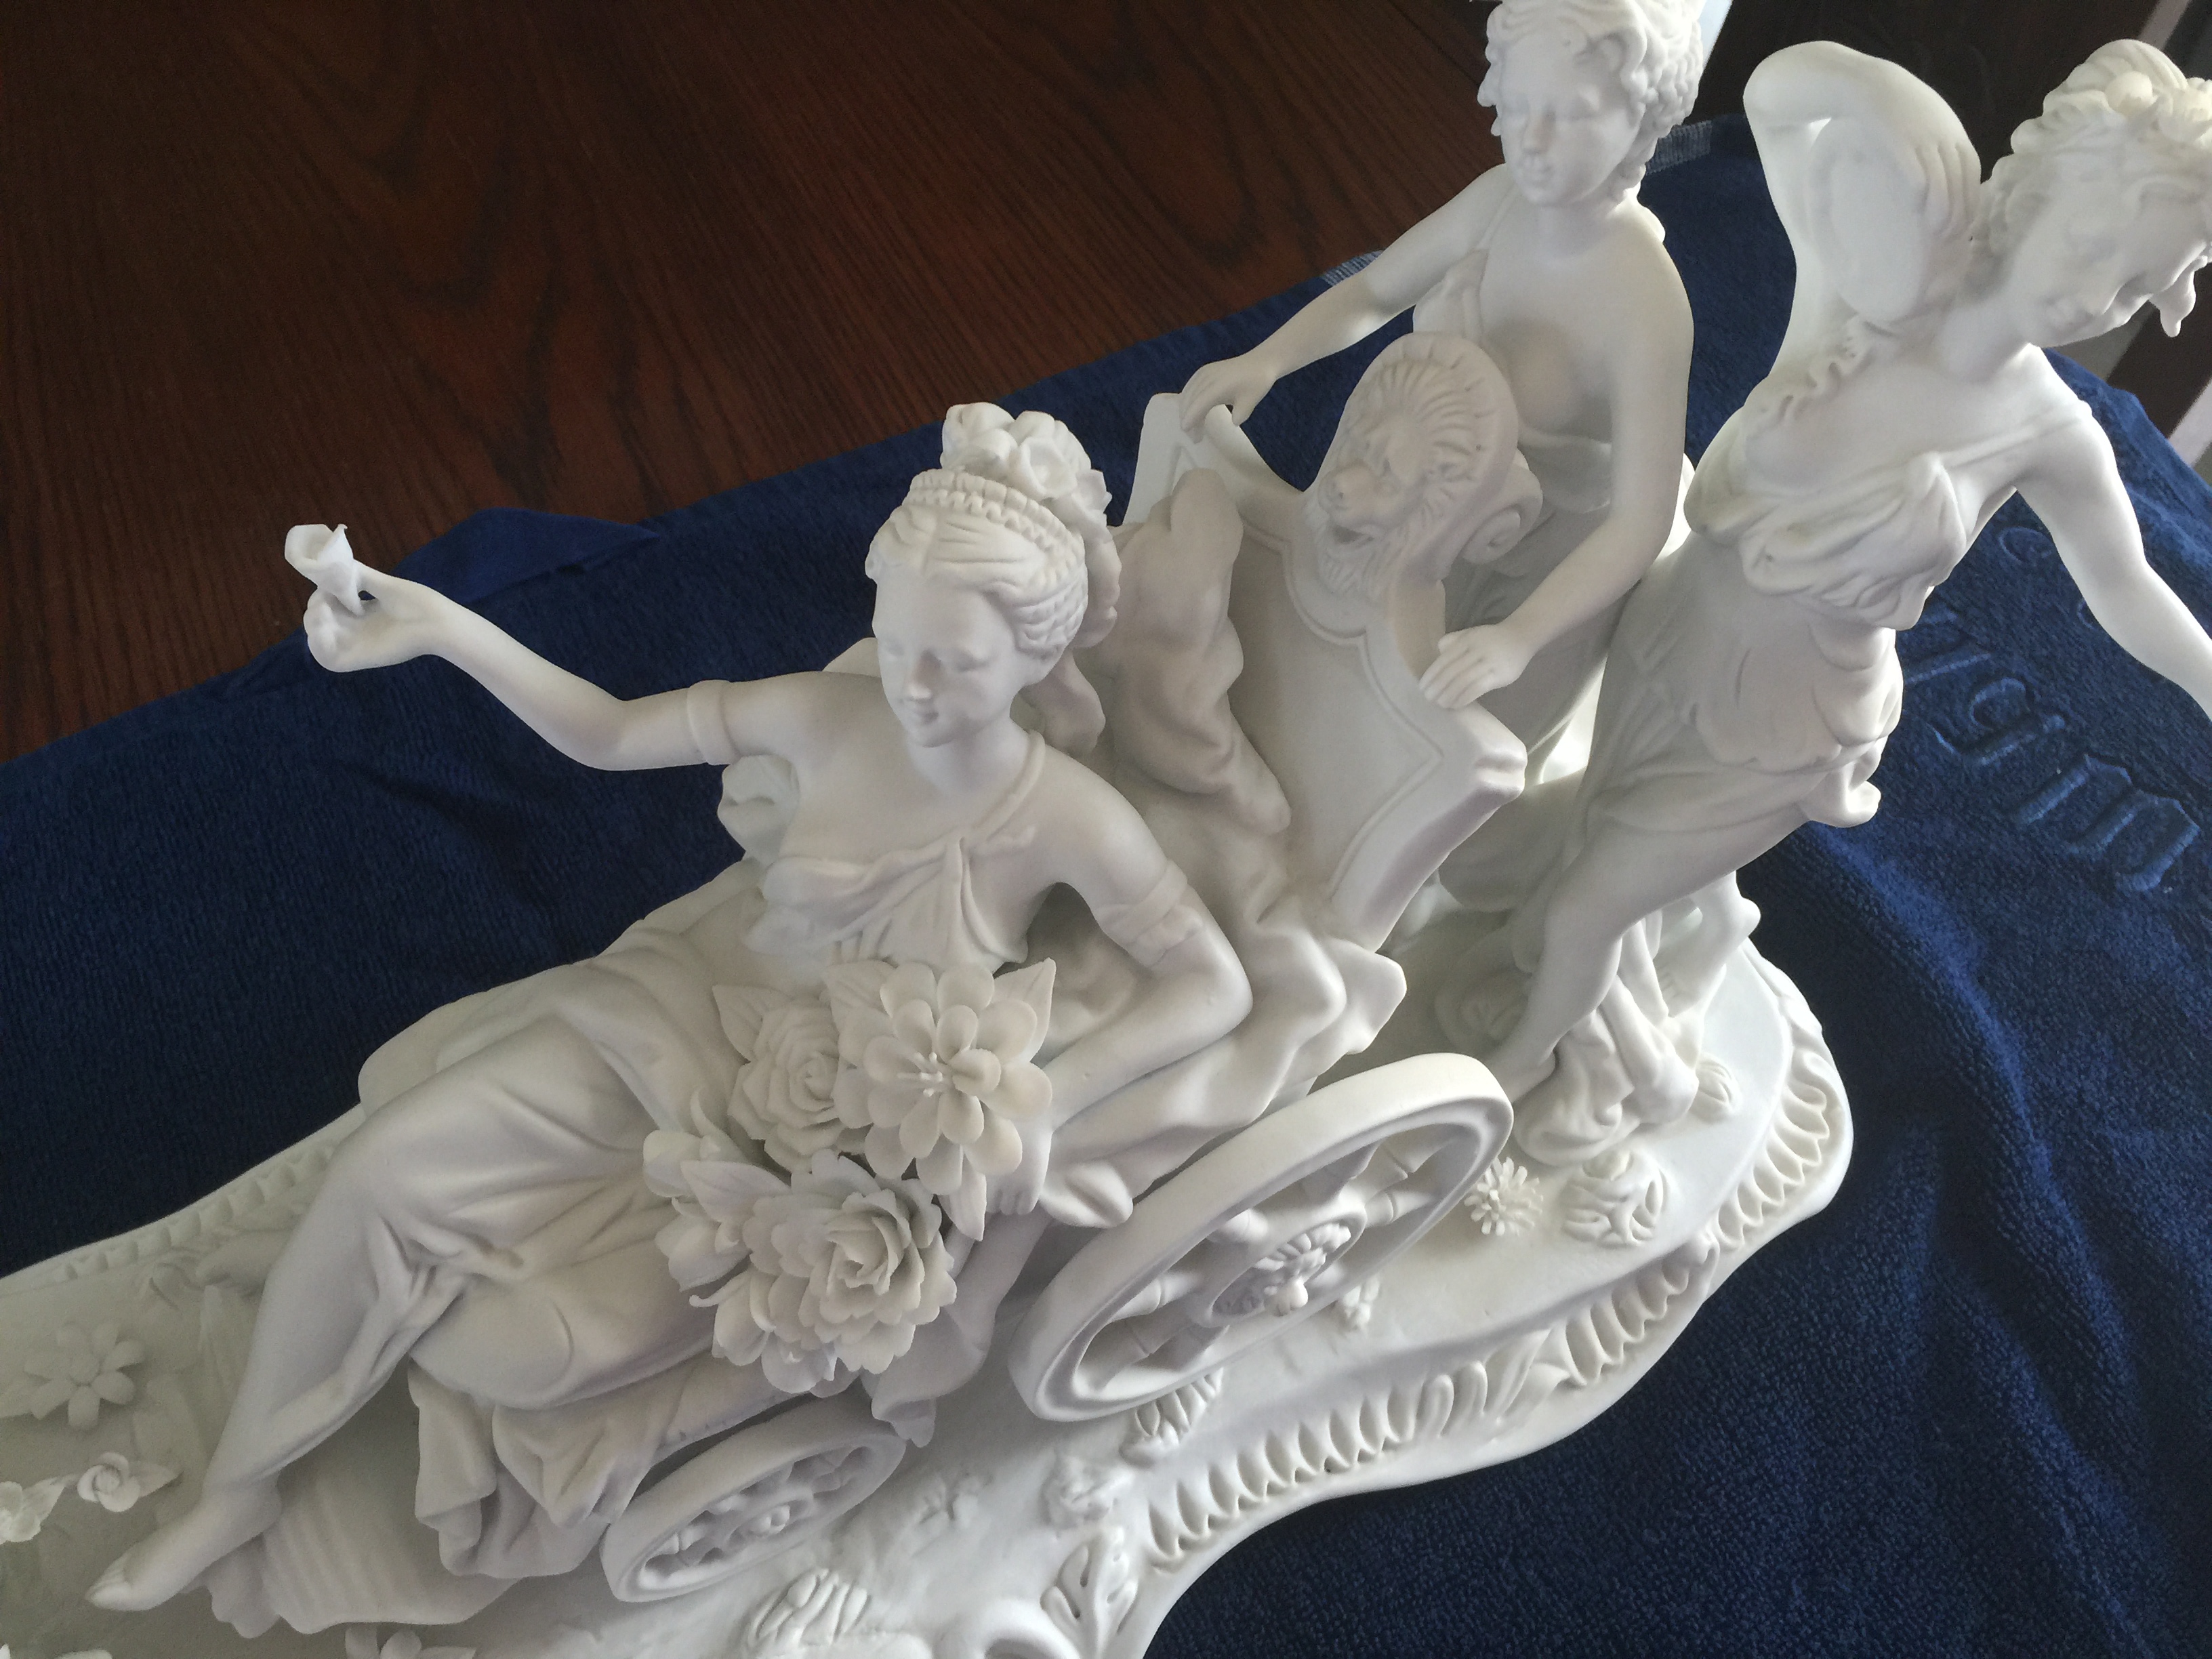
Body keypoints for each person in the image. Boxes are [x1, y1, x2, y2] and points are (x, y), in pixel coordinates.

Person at [89, 405, 1252, 1620]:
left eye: (951, 662)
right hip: (669, 1023)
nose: (908, 684)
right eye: (895, 637)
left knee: (537, 1348)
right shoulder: (828, 716)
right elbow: (607, 732)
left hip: (802, 1154)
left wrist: (1047, 1105)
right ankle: (238, 1488)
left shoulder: (1065, 818)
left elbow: (1211, 983)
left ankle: (391, 1359)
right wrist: (443, 628)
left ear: (1030, 653)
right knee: (385, 1172)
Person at [1474, 40, 2212, 1126]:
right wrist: (1881, 89)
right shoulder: (1873, 289)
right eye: (2099, 247)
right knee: (1589, 852)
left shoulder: (2053, 434)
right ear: (2046, 185)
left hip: (1790, 722)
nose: (2099, 298)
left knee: (1585, 907)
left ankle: (1504, 1079)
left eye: (2140, 288)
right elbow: (1773, 100)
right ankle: (1635, 1030)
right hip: (1671, 633)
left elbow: (2128, 588)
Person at [1179, 0, 1704, 771]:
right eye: (1517, 107)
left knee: (1463, 765)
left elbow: (1640, 521)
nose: (1532, 142)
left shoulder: (1646, 304)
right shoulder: (1498, 202)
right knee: (1315, 687)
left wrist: (1519, 639)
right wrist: (1268, 358)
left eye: (1569, 115)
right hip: (1420, 503)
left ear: (1643, 121)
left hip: (1543, 568)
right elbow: (1373, 292)